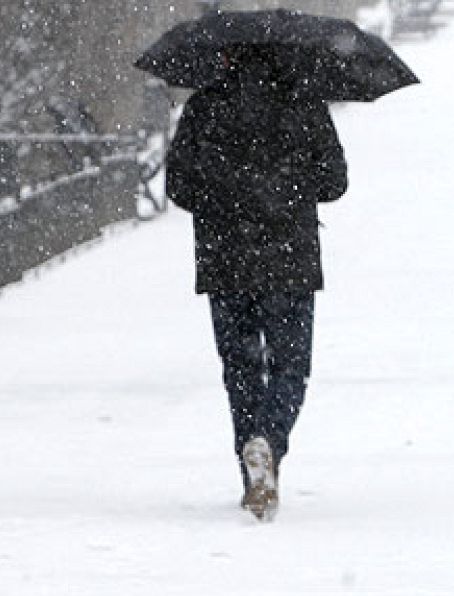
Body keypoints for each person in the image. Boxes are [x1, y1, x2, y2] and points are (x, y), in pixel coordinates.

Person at [166, 45, 348, 520]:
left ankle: (252, 472)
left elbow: (178, 187)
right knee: (290, 367)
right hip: (289, 261)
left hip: (225, 261)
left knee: (240, 369)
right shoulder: (304, 104)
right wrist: (289, 189)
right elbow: (334, 183)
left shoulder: (204, 107)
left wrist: (224, 201)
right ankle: (269, 441)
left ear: (226, 57)